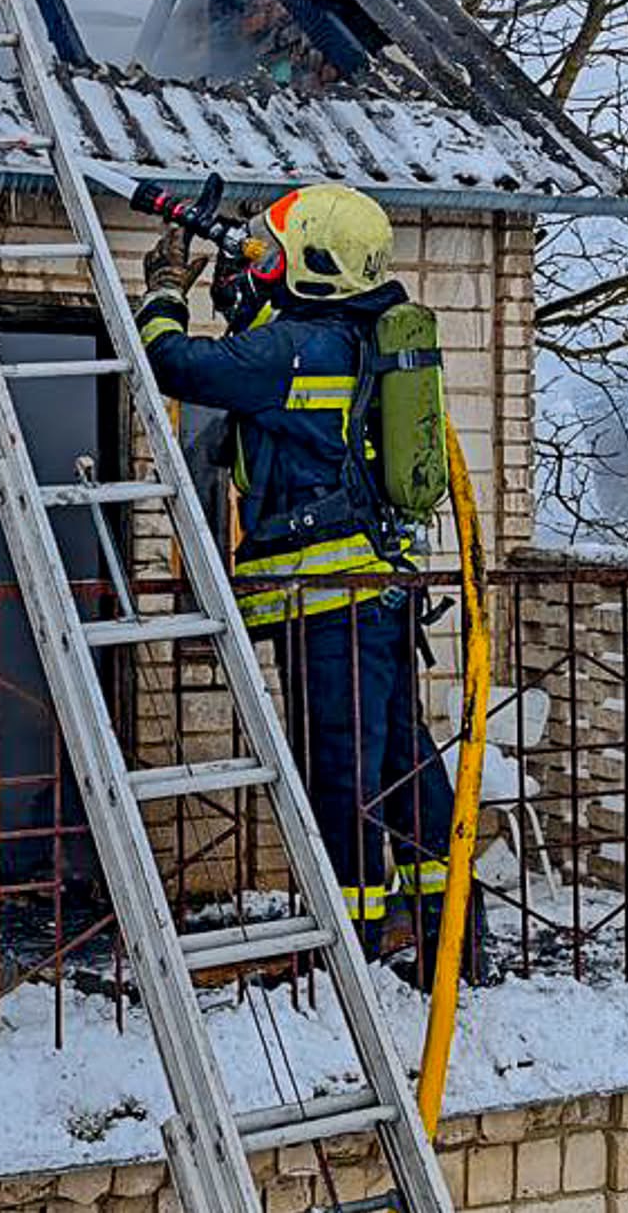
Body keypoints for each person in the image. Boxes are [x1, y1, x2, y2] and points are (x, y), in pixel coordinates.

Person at [135, 182, 473, 978]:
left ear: (316, 267)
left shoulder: (293, 350)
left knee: (338, 777)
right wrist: (239, 278)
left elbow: (172, 362)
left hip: (327, 608)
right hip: (379, 595)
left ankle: (346, 953)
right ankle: (447, 936)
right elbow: (272, 363)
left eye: (281, 251)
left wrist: (164, 288)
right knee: (401, 763)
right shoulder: (347, 340)